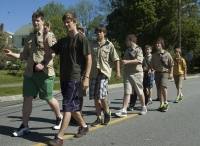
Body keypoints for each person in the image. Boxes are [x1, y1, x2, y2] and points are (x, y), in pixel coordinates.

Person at [3, 11, 62, 137]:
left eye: (38, 20)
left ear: (42, 21)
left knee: (48, 98)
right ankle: (25, 126)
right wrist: (12, 54)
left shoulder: (50, 35)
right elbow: (25, 55)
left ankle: (59, 117)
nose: (35, 23)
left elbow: (52, 53)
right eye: (34, 20)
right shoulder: (29, 38)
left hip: (45, 73)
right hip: (30, 73)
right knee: (27, 98)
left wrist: (43, 63)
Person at [42, 12, 92, 146]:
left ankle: (59, 138)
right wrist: (45, 35)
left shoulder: (81, 39)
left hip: (75, 77)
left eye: (68, 21)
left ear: (74, 22)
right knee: (73, 106)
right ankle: (84, 126)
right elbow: (48, 52)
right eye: (64, 22)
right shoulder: (63, 41)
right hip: (64, 77)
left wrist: (86, 77)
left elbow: (89, 59)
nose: (66, 24)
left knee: (68, 107)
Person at [89, 24, 120, 126]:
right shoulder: (91, 44)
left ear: (104, 33)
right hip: (93, 73)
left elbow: (116, 59)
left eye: (100, 32)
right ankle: (98, 117)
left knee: (102, 95)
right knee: (95, 96)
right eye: (97, 32)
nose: (98, 33)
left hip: (104, 72)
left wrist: (118, 71)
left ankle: (107, 112)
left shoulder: (109, 45)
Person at [115, 34, 147, 117]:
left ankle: (143, 107)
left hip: (137, 73)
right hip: (127, 73)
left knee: (139, 91)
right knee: (127, 91)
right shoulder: (127, 50)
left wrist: (127, 62)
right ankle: (124, 109)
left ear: (131, 40)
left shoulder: (138, 50)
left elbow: (139, 60)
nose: (125, 42)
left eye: (127, 40)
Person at [149, 37, 174, 112]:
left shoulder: (167, 54)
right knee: (159, 89)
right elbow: (151, 65)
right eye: (156, 43)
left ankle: (166, 103)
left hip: (165, 72)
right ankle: (161, 103)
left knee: (163, 86)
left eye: (159, 43)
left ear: (162, 44)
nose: (157, 45)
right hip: (157, 73)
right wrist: (150, 70)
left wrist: (171, 73)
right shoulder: (154, 55)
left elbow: (171, 64)